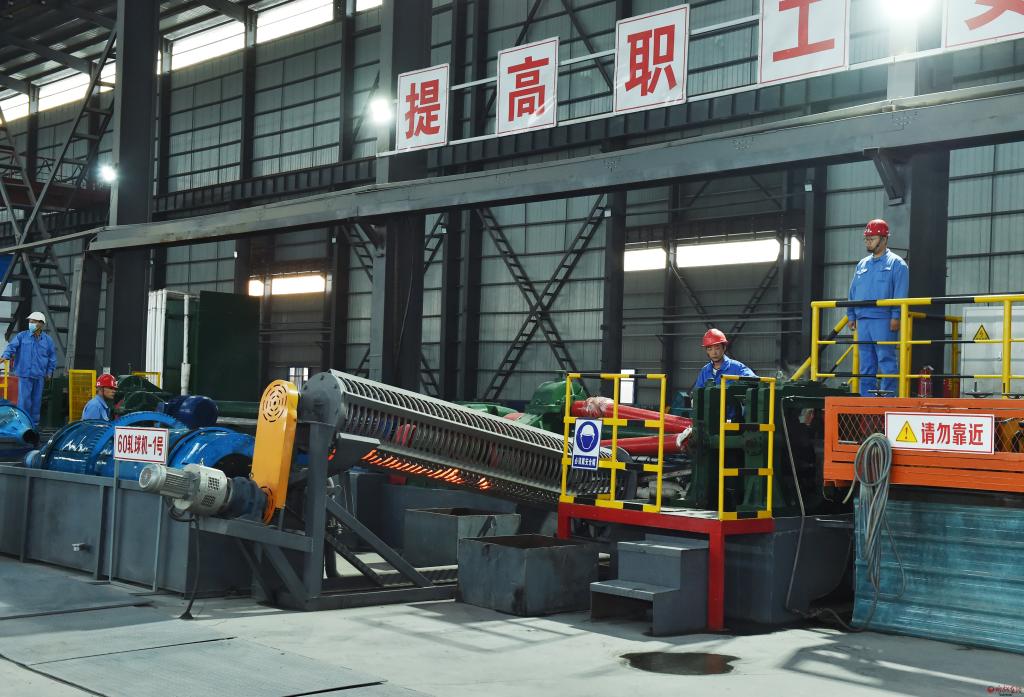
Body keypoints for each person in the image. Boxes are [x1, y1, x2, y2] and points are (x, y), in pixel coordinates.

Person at [847, 218, 909, 397]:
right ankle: (867, 400)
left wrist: (896, 316)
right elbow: (853, 291)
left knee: (886, 360)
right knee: (866, 364)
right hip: (863, 320)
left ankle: (888, 399)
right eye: (866, 239)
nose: (868, 242)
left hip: (884, 319)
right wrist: (851, 315)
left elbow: (900, 292)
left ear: (884, 239)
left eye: (872, 238)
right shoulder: (862, 264)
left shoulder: (897, 264)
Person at [2, 311, 57, 427]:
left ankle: (34, 425)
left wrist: (49, 372)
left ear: (41, 324)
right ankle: (22, 424)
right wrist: (5, 356)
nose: (30, 324)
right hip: (24, 375)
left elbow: (52, 357)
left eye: (33, 322)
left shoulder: (48, 341)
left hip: (39, 375)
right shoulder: (21, 336)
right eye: (30, 322)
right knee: (24, 401)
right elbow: (11, 347)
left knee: (36, 401)